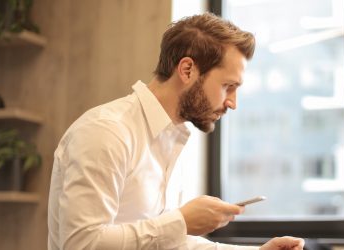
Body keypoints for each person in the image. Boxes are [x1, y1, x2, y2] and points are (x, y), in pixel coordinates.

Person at [47, 12, 305, 250]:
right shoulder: (106, 132)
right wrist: (180, 221)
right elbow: (81, 243)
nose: (232, 103)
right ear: (187, 70)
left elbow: (166, 243)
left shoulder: (170, 139)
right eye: (228, 86)